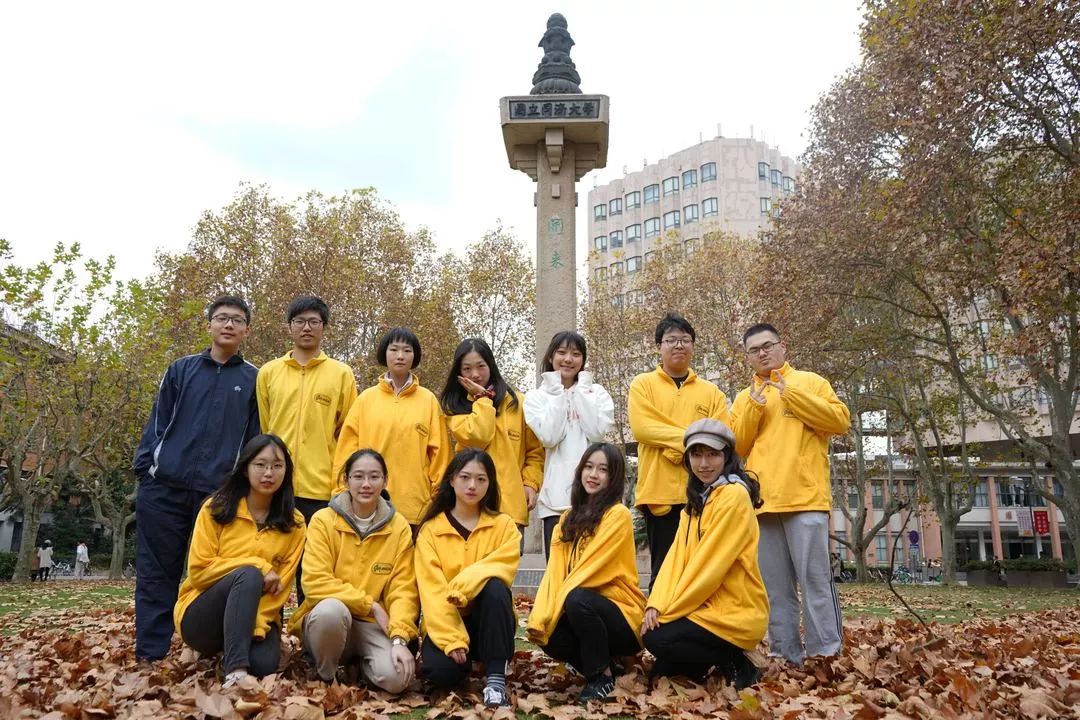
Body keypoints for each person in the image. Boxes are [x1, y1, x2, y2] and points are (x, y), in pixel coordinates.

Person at [132, 295, 260, 663]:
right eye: (222, 318)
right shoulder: (181, 369)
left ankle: (203, 646)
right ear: (209, 325)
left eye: (237, 320)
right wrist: (147, 470)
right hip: (164, 488)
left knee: (212, 573)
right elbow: (157, 422)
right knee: (157, 573)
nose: (229, 325)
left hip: (217, 494)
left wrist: (240, 489)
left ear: (246, 330)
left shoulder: (253, 379)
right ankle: (150, 654)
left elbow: (253, 439)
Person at [730, 323, 850, 664]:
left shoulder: (810, 382)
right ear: (748, 357)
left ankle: (826, 653)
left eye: (767, 346)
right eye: (754, 350)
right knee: (776, 590)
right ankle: (785, 654)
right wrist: (754, 408)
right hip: (763, 505)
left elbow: (839, 421)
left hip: (805, 501)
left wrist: (791, 395)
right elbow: (738, 446)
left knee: (815, 583)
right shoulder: (744, 397)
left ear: (783, 347)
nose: (762, 353)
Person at [641, 419, 767, 689]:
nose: (704, 464)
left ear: (727, 457)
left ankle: (736, 661)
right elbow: (675, 560)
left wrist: (669, 613)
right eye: (696, 455)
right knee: (659, 675)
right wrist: (656, 603)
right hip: (704, 607)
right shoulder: (696, 503)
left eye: (712, 454)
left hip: (735, 611)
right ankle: (702, 662)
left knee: (657, 638)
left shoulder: (733, 496)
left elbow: (708, 569)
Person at [173, 434, 306, 688]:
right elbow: (199, 572)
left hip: (256, 616)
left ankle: (232, 649)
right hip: (202, 614)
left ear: (286, 472)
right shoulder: (216, 508)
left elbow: (279, 591)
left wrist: (251, 630)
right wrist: (259, 565)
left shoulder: (295, 523)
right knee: (249, 574)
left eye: (277, 466)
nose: (269, 473)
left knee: (265, 664)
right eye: (260, 464)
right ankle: (234, 672)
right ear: (245, 469)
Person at [290, 449, 418, 693]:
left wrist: (400, 638)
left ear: (385, 481)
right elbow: (315, 583)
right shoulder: (323, 520)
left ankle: (361, 665)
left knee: (398, 678)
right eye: (358, 476)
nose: (366, 484)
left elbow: (403, 590)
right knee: (331, 610)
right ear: (346, 480)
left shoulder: (399, 527)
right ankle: (326, 675)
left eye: (374, 477)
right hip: (330, 622)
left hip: (372, 627)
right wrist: (370, 604)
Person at [257, 295, 358, 601]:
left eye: (314, 322)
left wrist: (339, 484)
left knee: (314, 571)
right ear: (289, 327)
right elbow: (266, 428)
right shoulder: (269, 372)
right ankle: (265, 635)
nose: (306, 328)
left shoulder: (341, 374)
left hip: (320, 490)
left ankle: (312, 642)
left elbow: (348, 434)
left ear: (324, 328)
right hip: (274, 487)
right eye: (299, 321)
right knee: (269, 564)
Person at [527, 443, 645, 703]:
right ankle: (609, 668)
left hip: (622, 613)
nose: (593, 474)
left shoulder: (618, 515)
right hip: (582, 606)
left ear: (613, 477)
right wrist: (541, 616)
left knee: (578, 598)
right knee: (549, 630)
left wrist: (561, 604)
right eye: (589, 467)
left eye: (603, 470)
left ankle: (601, 677)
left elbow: (590, 569)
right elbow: (555, 573)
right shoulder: (566, 519)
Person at [628, 313, 729, 590]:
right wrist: (691, 443)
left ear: (693, 346)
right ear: (659, 346)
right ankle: (659, 628)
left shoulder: (712, 392)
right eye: (671, 340)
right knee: (663, 569)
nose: (678, 345)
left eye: (685, 340)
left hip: (703, 491)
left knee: (701, 569)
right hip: (659, 494)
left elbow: (720, 435)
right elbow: (642, 428)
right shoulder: (642, 384)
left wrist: (674, 446)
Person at [414, 448, 519, 708]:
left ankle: (495, 679)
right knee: (442, 674)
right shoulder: (431, 530)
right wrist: (451, 639)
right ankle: (460, 663)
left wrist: (462, 587)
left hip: (489, 623)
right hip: (445, 620)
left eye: (481, 479)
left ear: (490, 484)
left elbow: (501, 566)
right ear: (451, 479)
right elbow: (433, 591)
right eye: (465, 477)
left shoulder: (504, 525)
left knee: (495, 587)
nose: (473, 485)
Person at [332, 328, 449, 527]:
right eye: (394, 349)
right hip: (367, 507)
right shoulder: (366, 399)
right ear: (384, 353)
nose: (400, 356)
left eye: (407, 350)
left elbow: (441, 457)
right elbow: (346, 451)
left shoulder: (428, 401)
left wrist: (439, 501)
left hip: (415, 509)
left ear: (415, 356)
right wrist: (339, 493)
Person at [524, 331, 614, 557]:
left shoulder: (597, 393)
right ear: (551, 356)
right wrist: (556, 393)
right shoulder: (536, 397)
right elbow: (549, 436)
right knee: (557, 570)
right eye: (562, 352)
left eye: (575, 354)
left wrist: (582, 390)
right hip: (554, 501)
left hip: (593, 497)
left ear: (583, 360)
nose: (568, 359)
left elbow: (596, 433)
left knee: (591, 569)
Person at [440, 338, 544, 530]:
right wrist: (483, 399)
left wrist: (530, 483)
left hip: (510, 509)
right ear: (459, 373)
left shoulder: (517, 403)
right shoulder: (454, 408)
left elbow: (535, 452)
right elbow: (480, 436)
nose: (475, 374)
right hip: (470, 512)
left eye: (481, 366)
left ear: (491, 366)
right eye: (467, 369)